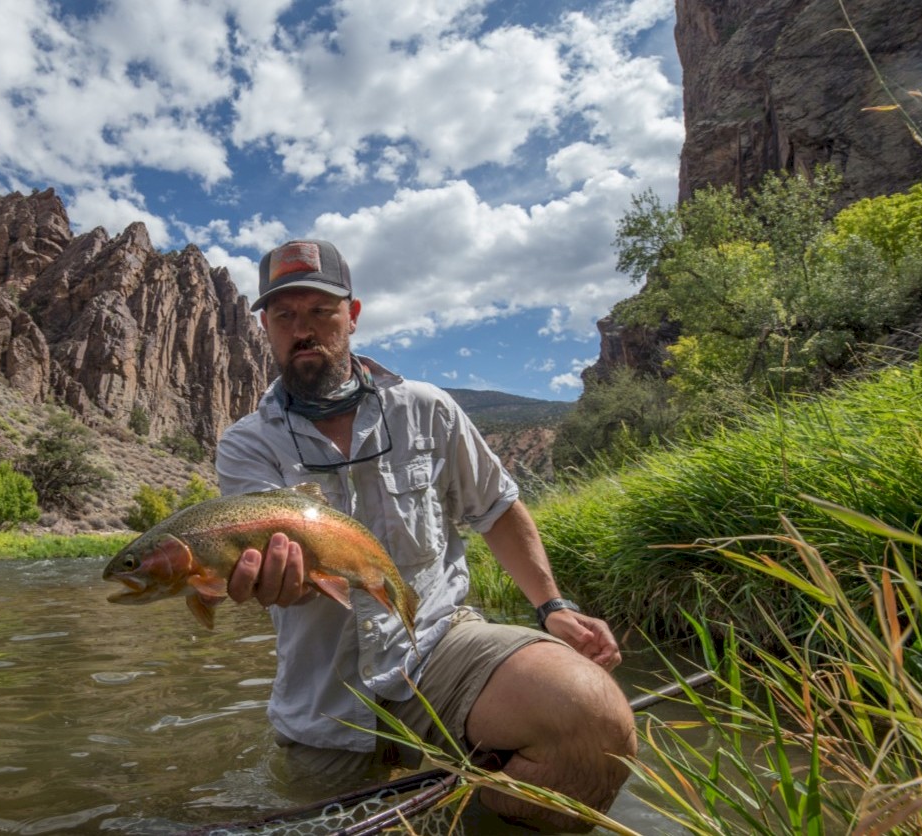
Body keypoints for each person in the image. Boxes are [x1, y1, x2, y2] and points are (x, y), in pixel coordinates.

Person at [215, 239, 637, 831]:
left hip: (437, 646)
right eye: (285, 315)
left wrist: (554, 606)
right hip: (323, 695)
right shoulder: (246, 445)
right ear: (265, 327)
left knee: (591, 719)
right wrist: (269, 581)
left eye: (320, 312)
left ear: (352, 316)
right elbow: (260, 560)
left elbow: (498, 509)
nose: (302, 329)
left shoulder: (427, 409)